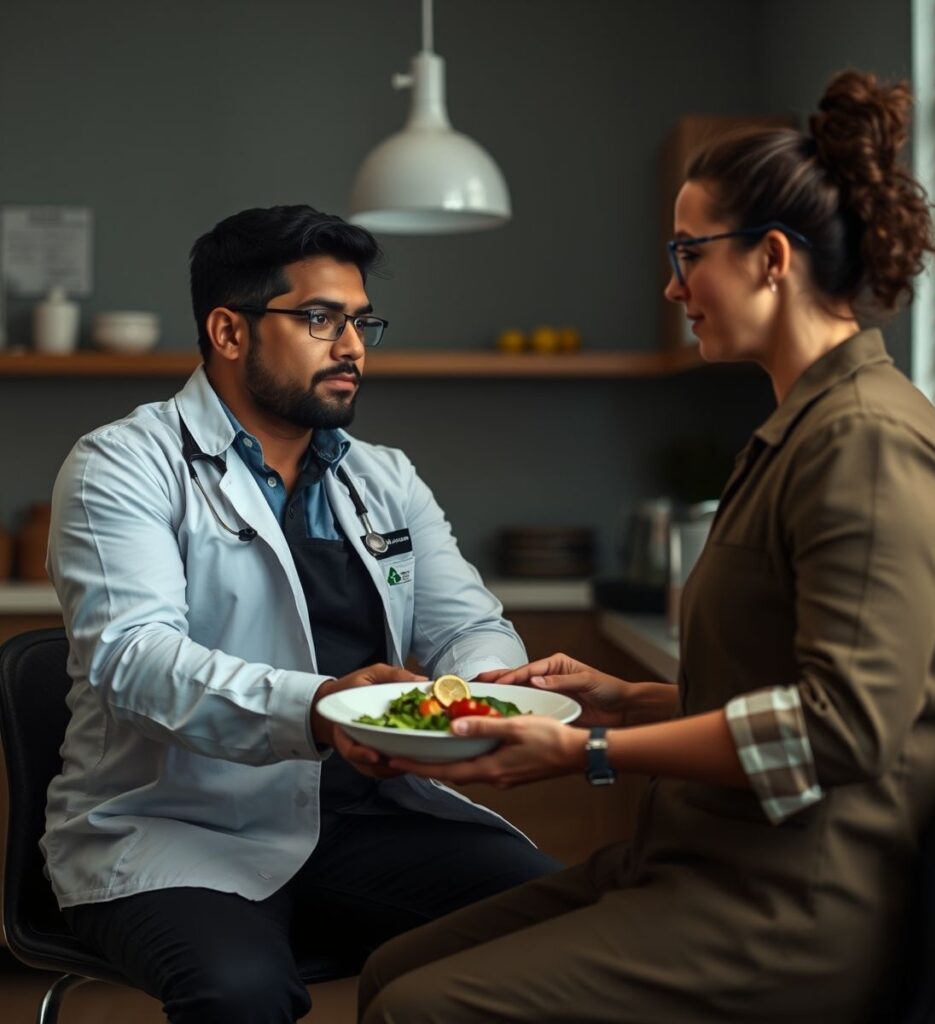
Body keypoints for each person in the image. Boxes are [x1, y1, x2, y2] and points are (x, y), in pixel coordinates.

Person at [356, 71, 935, 1024]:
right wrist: (622, 697)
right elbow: (780, 684)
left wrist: (592, 751)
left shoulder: (867, 444)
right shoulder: (801, 429)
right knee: (388, 973)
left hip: (792, 906)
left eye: (688, 251)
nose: (671, 282)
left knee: (421, 1008)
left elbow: (844, 729)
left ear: (772, 257)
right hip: (696, 864)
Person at [43, 204, 560, 1024]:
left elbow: (466, 622)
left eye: (361, 322)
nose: (351, 346)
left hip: (367, 816)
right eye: (320, 319)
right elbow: (134, 658)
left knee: (555, 920)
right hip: (183, 829)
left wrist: (478, 691)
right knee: (241, 994)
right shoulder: (124, 463)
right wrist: (319, 709)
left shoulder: (384, 476)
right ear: (228, 330)